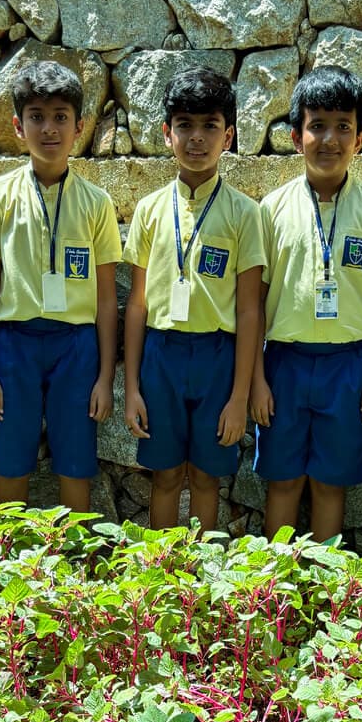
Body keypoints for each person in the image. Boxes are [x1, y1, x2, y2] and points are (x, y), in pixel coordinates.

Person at [252, 67, 362, 545]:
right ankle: (274, 590)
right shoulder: (270, 210)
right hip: (285, 364)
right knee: (284, 481)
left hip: (351, 364)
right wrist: (256, 379)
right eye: (317, 126)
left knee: (331, 484)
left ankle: (322, 590)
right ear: (296, 137)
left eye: (343, 126)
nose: (329, 139)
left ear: (359, 138)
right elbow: (252, 302)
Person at [0, 62, 120, 509]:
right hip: (13, 346)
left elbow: (107, 298)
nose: (48, 128)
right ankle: (4, 562)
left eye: (60, 117)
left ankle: (76, 567)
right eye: (36, 116)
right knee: (11, 465)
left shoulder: (96, 203)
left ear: (79, 128)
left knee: (76, 463)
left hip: (76, 348)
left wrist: (105, 376)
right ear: (18, 127)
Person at [123, 67, 264, 531]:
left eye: (209, 126)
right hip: (160, 356)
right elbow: (138, 306)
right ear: (167, 134)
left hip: (217, 357)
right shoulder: (149, 210)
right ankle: (161, 578)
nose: (196, 138)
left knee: (207, 477)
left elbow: (248, 310)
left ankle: (200, 581)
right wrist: (132, 388)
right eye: (184, 125)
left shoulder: (245, 213)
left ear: (229, 135)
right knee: (164, 476)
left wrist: (239, 396)